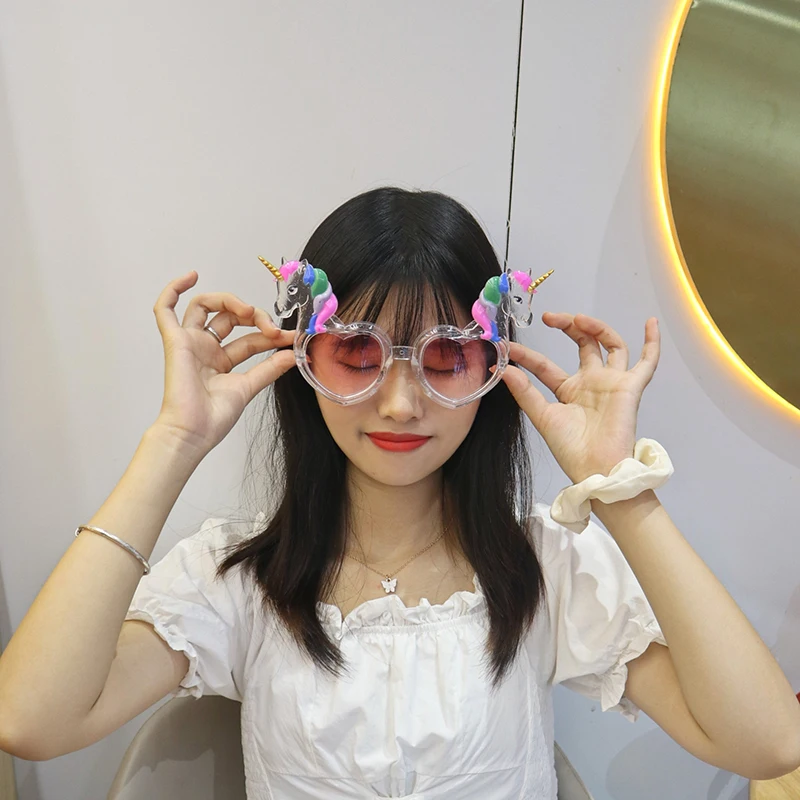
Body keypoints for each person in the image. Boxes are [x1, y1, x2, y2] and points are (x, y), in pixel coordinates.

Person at [1, 187, 799, 798]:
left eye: (446, 356)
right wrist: (173, 442)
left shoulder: (544, 566)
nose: (400, 402)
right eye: (357, 351)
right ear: (304, 359)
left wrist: (618, 489)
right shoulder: (238, 577)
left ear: (492, 367)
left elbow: (766, 743)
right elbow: (30, 719)